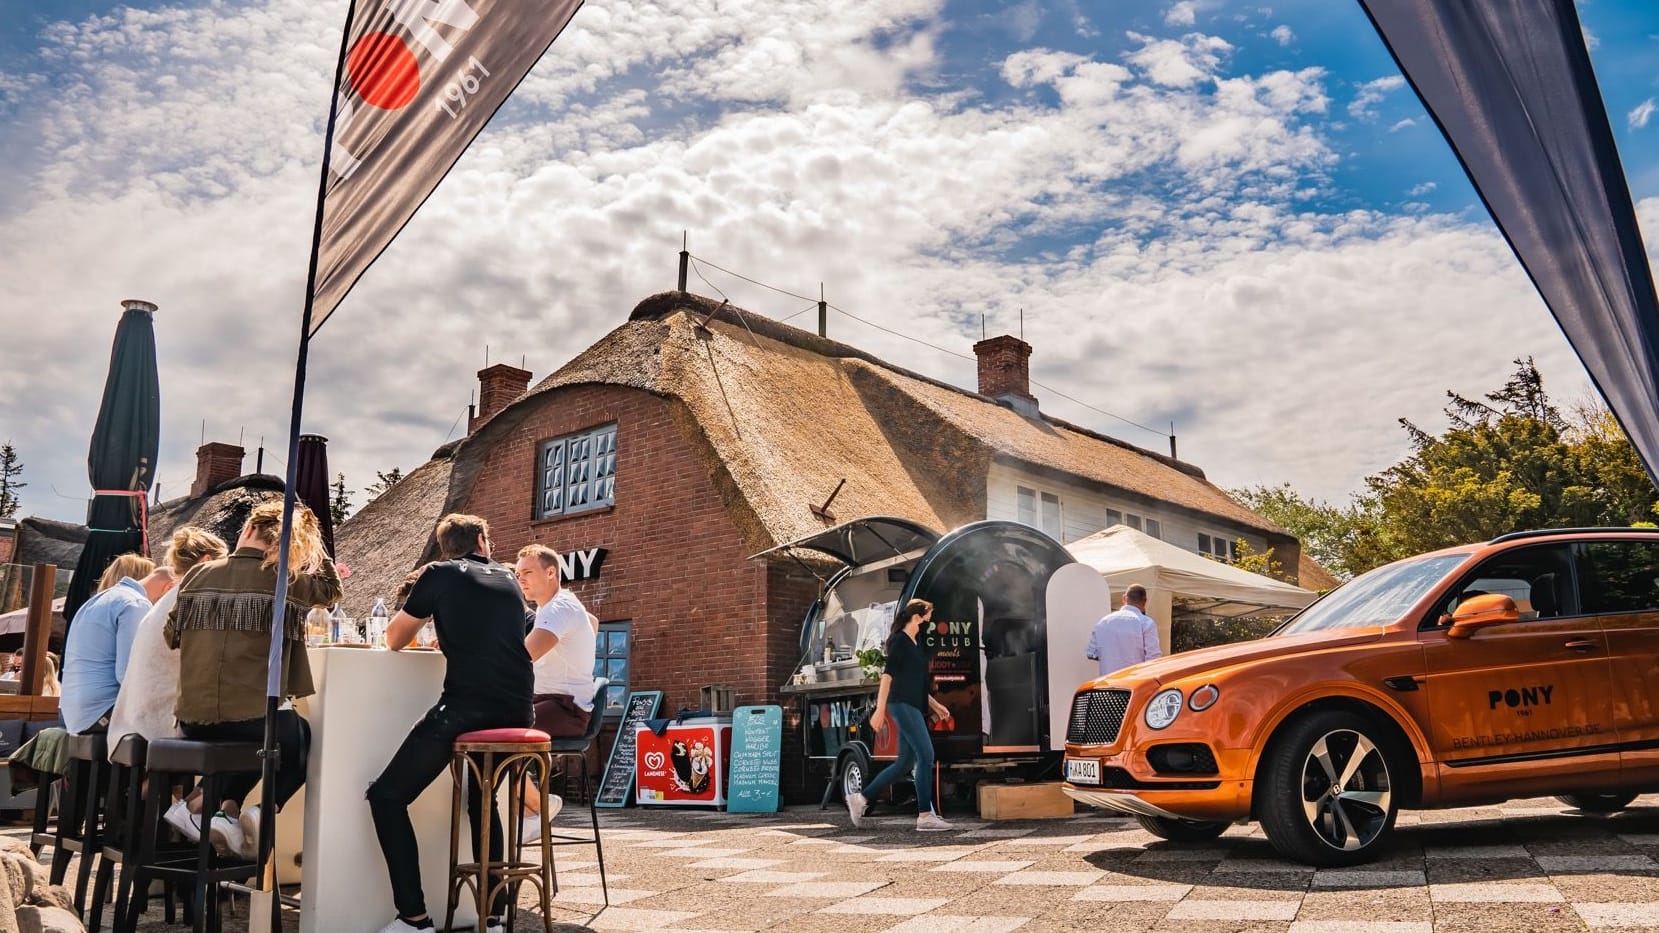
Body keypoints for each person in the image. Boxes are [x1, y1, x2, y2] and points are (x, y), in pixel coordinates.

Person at [369, 514, 534, 933]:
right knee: (483, 802)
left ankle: (414, 919)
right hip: (518, 710)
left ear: (447, 548)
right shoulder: (511, 579)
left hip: (467, 710)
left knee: (387, 796)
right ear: (482, 540)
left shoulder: (439, 573)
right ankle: (494, 918)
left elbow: (394, 638)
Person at [163, 502, 340, 860]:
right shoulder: (286, 581)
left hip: (191, 722)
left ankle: (218, 810)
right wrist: (311, 553)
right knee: (297, 739)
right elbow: (331, 590)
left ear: (246, 530)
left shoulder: (198, 575)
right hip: (252, 723)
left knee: (261, 735)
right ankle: (262, 811)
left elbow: (171, 635)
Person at [107, 526, 229, 767]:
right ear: (206, 562)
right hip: (160, 720)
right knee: (270, 737)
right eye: (224, 566)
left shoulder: (165, 600)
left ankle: (185, 798)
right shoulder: (196, 598)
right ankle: (197, 803)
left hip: (132, 717)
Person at [844, 599, 955, 832]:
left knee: (905, 762)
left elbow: (915, 683)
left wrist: (935, 706)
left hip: (913, 704)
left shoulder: (913, 644)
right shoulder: (900, 642)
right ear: (917, 618)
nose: (930, 623)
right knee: (926, 754)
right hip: (902, 704)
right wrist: (879, 710)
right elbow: (888, 677)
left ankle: (861, 799)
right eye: (928, 618)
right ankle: (925, 816)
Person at [512, 544, 597, 830]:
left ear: (551, 572)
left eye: (527, 572)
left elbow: (521, 658)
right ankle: (521, 814)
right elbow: (593, 622)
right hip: (552, 701)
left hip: (566, 708)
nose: (520, 579)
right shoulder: (562, 605)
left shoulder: (558, 608)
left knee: (498, 736)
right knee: (490, 728)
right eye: (517, 573)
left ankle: (537, 807)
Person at [60, 552, 171, 734]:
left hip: (74, 714)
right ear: (168, 588)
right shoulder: (136, 604)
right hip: (101, 713)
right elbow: (128, 673)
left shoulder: (96, 601)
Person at [1085, 583, 1162, 677]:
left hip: (1106, 682)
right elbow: (1153, 657)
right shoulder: (1146, 623)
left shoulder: (1103, 621)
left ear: (1124, 598)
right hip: (1133, 683)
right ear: (1144, 601)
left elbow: (1091, 653)